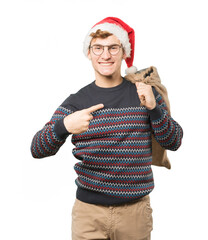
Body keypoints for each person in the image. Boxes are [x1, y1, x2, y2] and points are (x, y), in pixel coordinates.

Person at [30, 17, 183, 240]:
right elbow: (37, 148)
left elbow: (174, 141)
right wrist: (64, 126)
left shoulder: (145, 93)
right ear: (89, 53)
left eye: (113, 47)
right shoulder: (76, 102)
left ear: (123, 52)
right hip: (88, 215)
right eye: (98, 48)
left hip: (135, 214)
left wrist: (154, 108)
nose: (105, 55)